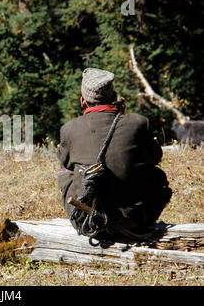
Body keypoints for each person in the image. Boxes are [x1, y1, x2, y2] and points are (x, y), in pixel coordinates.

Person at [56, 68, 172, 240]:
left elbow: (64, 162)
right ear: (115, 96)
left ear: (83, 101)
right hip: (134, 218)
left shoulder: (69, 129)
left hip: (88, 221)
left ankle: (90, 218)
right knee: (155, 173)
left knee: (65, 172)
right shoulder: (138, 123)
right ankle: (123, 223)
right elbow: (156, 157)